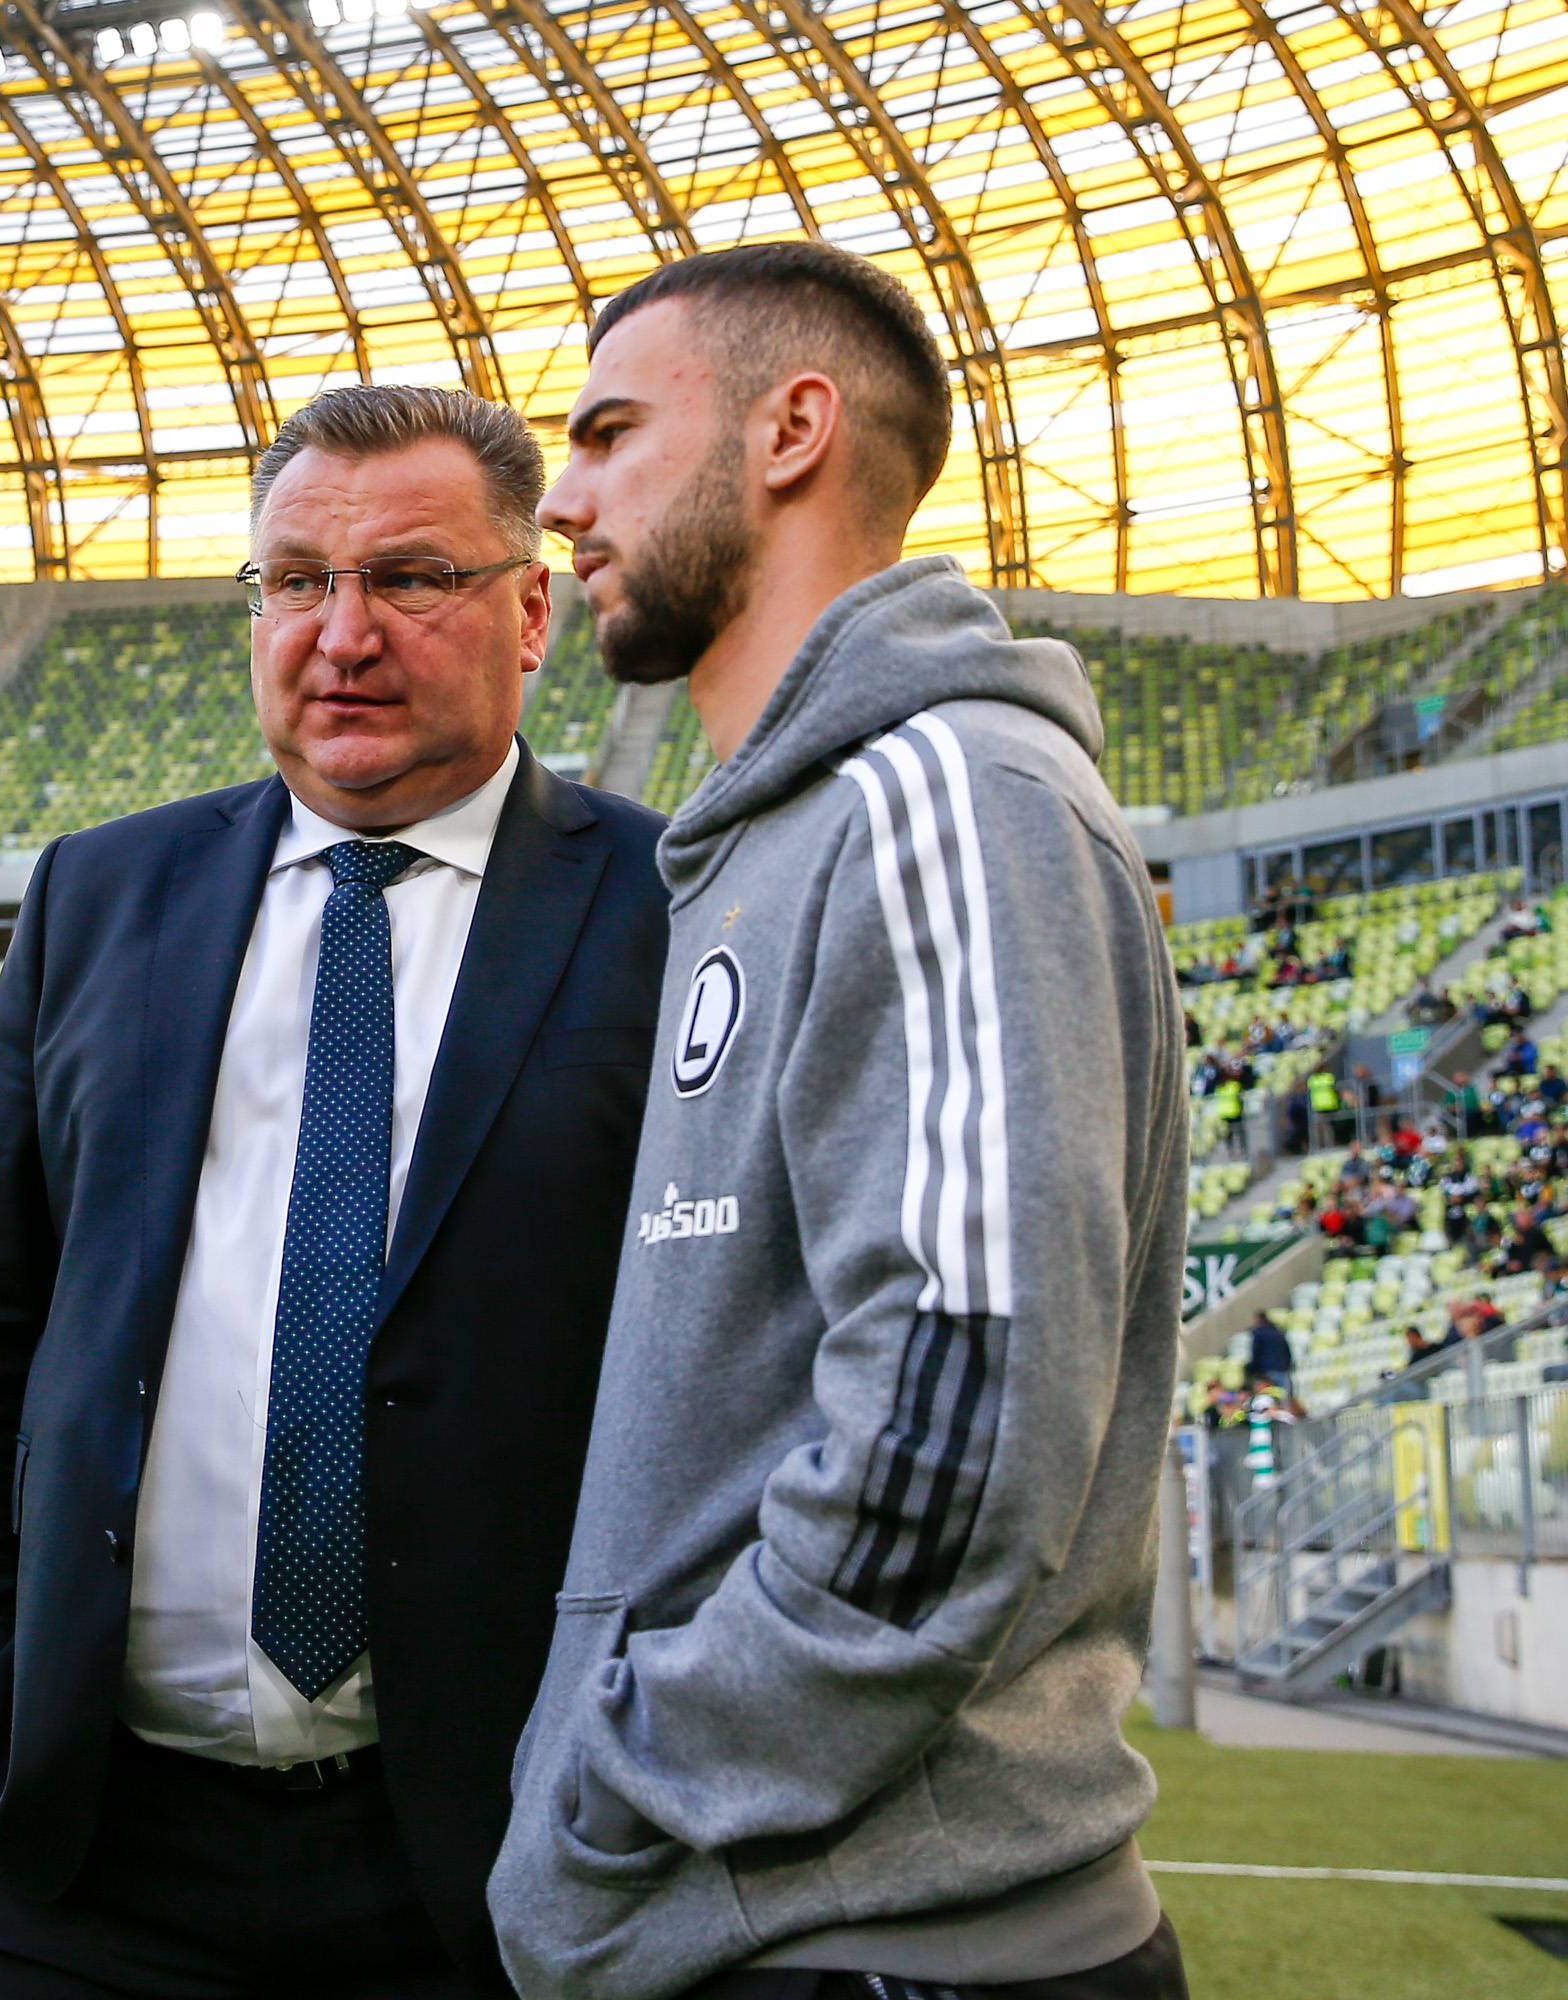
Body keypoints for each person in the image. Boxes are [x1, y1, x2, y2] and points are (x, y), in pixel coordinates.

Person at [0, 382, 670, 1998]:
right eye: (297, 582)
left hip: (481, 1859)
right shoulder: (100, 895)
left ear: (532, 611)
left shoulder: (665, 906)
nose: (342, 634)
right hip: (86, 1863)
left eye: (409, 579)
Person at [494, 241, 1188, 2000]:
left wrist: (630, 1778)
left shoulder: (940, 795)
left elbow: (955, 1428)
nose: (560, 499)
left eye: (606, 432)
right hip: (784, 1929)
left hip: (881, 1951)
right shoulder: (777, 837)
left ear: (792, 428)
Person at [1245, 1311, 1294, 1394]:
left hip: (1266, 1370)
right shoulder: (1278, 1331)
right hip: (1282, 1369)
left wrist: (1253, 1369)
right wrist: (1287, 1365)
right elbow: (1287, 1350)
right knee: (1283, 1395)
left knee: (1269, 1395)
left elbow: (1256, 1352)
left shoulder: (1259, 1333)